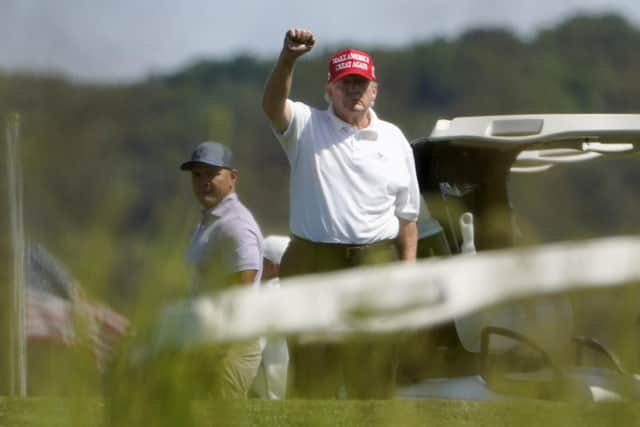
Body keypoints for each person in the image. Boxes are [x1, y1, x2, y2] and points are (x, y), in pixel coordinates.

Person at [262, 28, 421, 398]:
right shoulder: (305, 125)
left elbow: (407, 217)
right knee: (314, 373)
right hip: (313, 260)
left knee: (374, 374)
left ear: (375, 90)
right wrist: (288, 59)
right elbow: (272, 107)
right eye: (345, 83)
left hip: (375, 261)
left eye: (361, 84)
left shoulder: (395, 140)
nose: (354, 91)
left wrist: (408, 273)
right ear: (329, 90)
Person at [180, 140, 264, 398]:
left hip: (229, 344)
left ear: (233, 177)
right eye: (197, 175)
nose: (204, 181)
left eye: (212, 173)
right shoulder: (210, 221)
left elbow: (243, 286)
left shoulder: (235, 225)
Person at [251, 235, 290, 399]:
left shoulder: (263, 296)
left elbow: (252, 348)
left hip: (271, 398)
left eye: (261, 262)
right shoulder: (300, 291)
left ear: (274, 267)